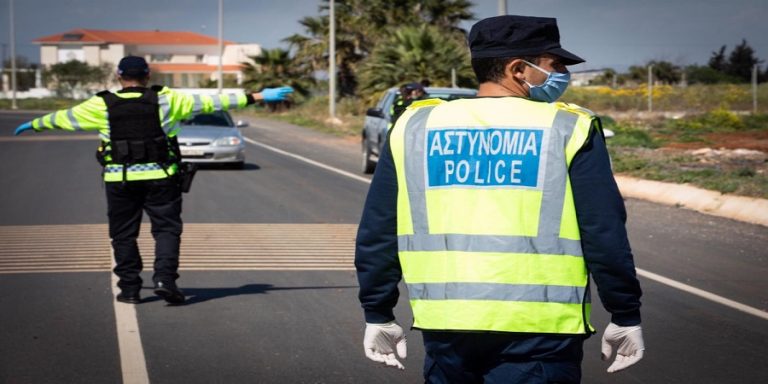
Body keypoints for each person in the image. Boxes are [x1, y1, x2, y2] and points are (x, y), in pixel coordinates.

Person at [355, 15, 644, 383]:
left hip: (446, 327)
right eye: (554, 65)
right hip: (540, 331)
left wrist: (378, 311)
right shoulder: (569, 128)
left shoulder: (415, 127)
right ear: (519, 69)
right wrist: (625, 313)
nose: (561, 75)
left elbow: (379, 230)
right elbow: (603, 233)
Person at [14, 56, 293, 305]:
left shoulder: (100, 104)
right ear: (148, 76)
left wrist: (34, 124)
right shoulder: (168, 99)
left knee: (123, 234)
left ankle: (131, 289)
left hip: (119, 180)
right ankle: (165, 281)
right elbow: (214, 101)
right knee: (166, 231)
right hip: (162, 178)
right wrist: (258, 96)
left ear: (119, 77)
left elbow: (63, 118)